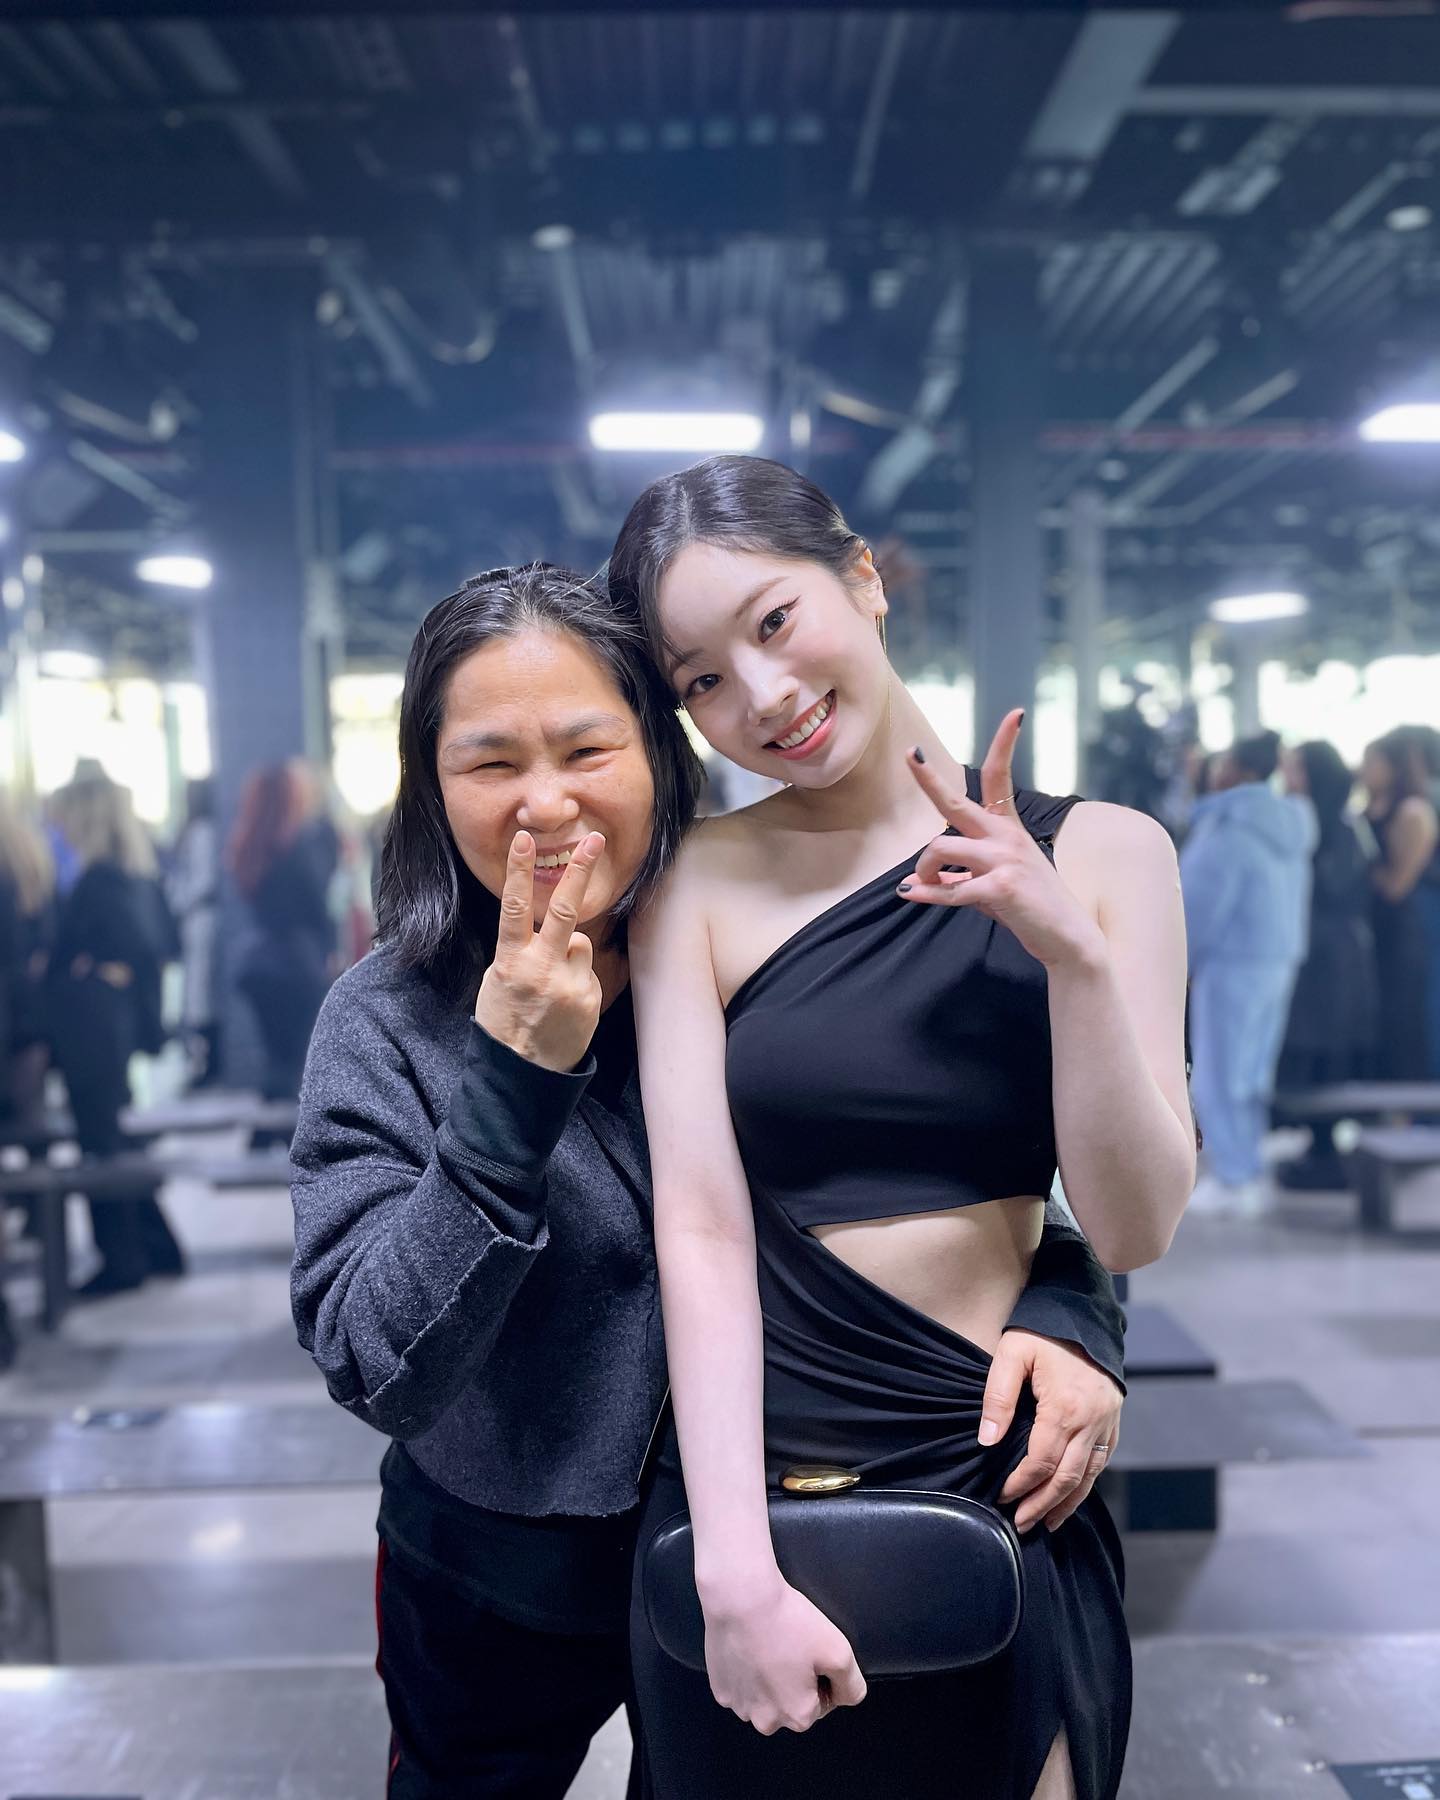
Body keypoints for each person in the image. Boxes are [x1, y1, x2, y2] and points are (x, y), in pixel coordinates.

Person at [289, 563, 1132, 1800]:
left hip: (780, 1540)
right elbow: (373, 1362)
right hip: (495, 1574)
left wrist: (1073, 1306)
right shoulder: (387, 1021)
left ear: (660, 751)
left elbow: (954, 1155)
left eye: (588, 749)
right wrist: (509, 1087)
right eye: (489, 763)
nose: (545, 803)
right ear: (431, 785)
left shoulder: (756, 950)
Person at [608, 457, 1194, 1800]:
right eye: (703, 680)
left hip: (997, 1475)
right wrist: (733, 1571)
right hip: (759, 1489)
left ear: (862, 577)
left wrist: (1070, 957)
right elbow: (699, 1225)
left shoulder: (1112, 854)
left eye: (774, 621)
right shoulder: (693, 884)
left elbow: (1133, 1225)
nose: (764, 696)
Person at [44, 775, 184, 1296]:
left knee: (102, 1146)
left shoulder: (99, 879)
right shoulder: (133, 874)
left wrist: (85, 970)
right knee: (116, 1142)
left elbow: (123, 949)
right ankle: (156, 1247)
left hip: (92, 1030)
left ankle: (123, 1259)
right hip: (111, 1028)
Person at [1178, 730, 1316, 1218]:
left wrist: (1181, 961)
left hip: (1231, 959)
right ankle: (1248, 1168)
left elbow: (1198, 903)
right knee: (1253, 1071)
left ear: (1236, 768)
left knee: (1219, 1073)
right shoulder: (1290, 821)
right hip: (1277, 957)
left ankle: (1235, 1177)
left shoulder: (1228, 822)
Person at [1275, 742, 1379, 1187]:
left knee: (1328, 1049)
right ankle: (1318, 1147)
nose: (1288, 780)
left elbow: (1337, 888)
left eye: (1296, 770)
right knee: (1313, 1048)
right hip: (1318, 953)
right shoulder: (1308, 821)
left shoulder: (1341, 826)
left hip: (1333, 958)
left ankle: (1326, 1152)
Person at [228, 761, 339, 1099]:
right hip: (299, 961)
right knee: (304, 1062)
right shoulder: (301, 846)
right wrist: (332, 950)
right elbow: (318, 905)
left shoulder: (250, 847)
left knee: (278, 1062)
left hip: (260, 964)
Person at [1362, 729, 1438, 1081]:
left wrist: (1364, 872)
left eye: (1372, 762)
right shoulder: (1370, 809)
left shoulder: (1414, 812)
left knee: (1409, 1011)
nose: (1364, 770)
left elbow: (1398, 884)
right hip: (1375, 929)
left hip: (1407, 927)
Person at [166, 778, 221, 1088]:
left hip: (200, 916)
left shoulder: (202, 833)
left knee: (202, 994)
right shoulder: (199, 832)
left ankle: (209, 1060)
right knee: (198, 992)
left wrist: (178, 902)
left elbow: (202, 880)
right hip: (196, 917)